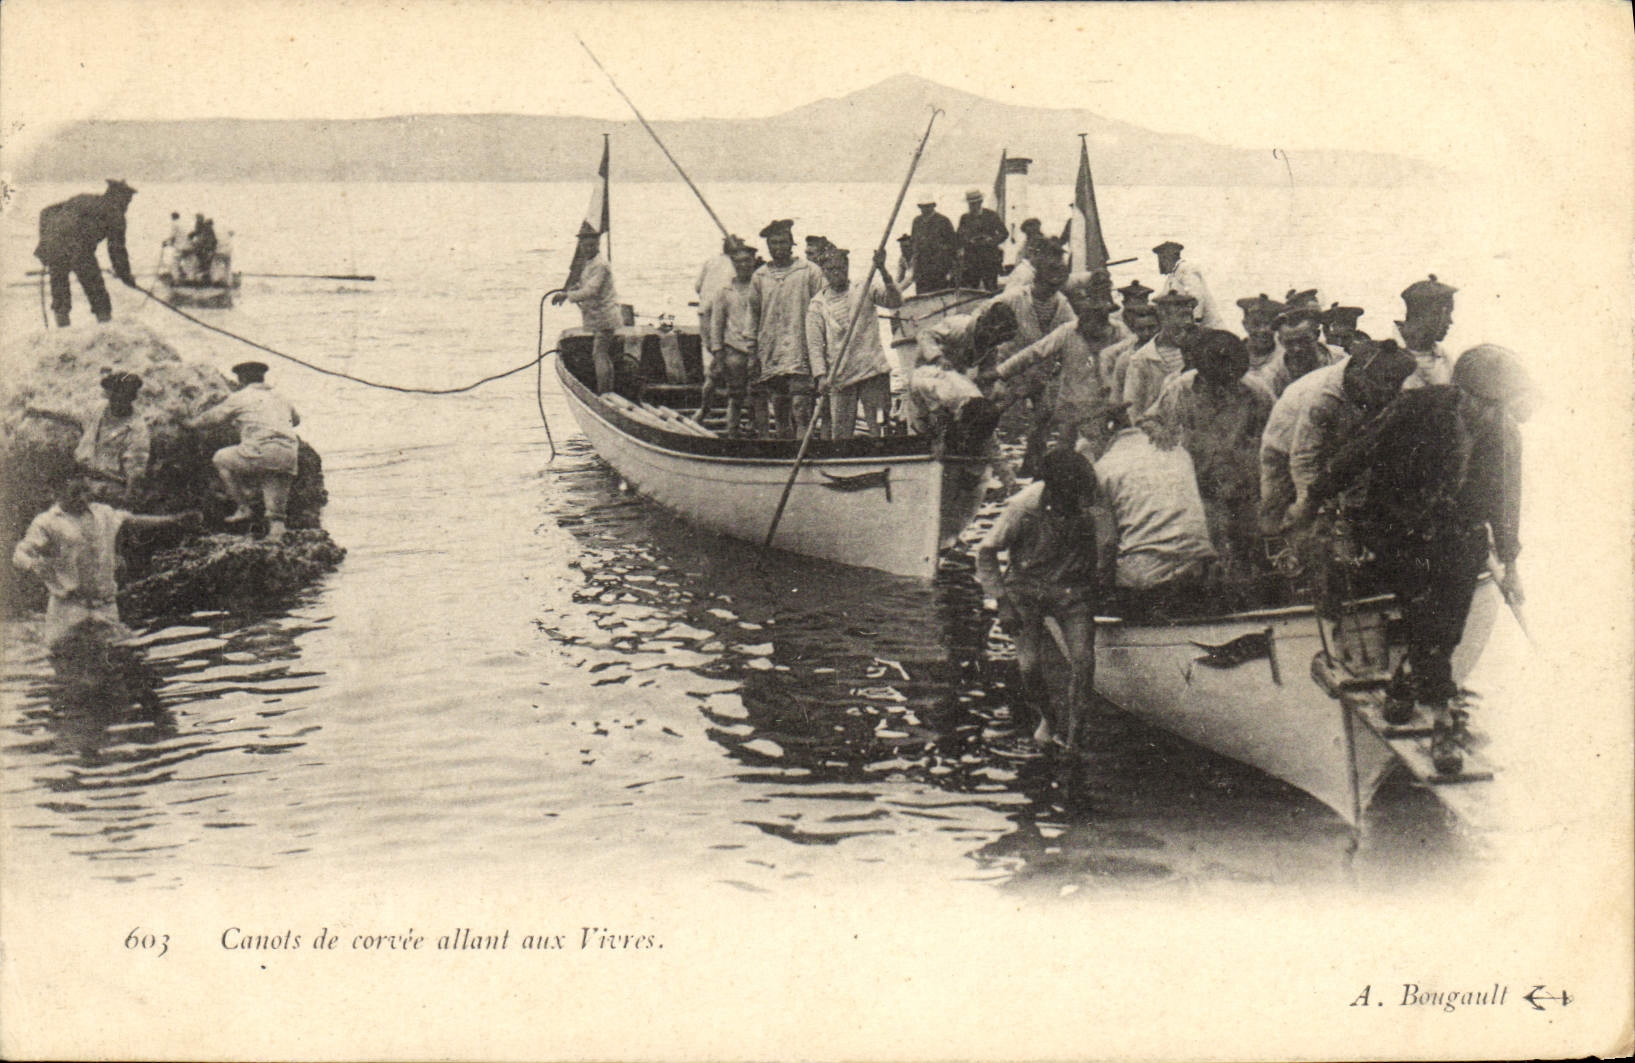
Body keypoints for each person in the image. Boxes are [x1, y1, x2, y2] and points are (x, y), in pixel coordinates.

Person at [1306, 345, 1530, 774]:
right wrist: (1315, 498)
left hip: (1460, 534)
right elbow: (1358, 453)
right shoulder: (1416, 408)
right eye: (1482, 402)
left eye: (1497, 404)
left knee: (1448, 627)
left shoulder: (1504, 433)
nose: (1489, 411)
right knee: (1426, 617)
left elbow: (1507, 500)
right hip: (1400, 529)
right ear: (1461, 392)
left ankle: (1405, 679)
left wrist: (1511, 561)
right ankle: (1444, 721)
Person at [976, 448, 1101, 750]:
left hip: (1070, 588)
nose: (1074, 503)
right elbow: (986, 553)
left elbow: (1100, 547)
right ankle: (1049, 718)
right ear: (1051, 490)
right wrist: (1002, 602)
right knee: (1029, 667)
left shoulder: (1087, 503)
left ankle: (1074, 736)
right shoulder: (1022, 508)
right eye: (1067, 496)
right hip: (1025, 587)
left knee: (1084, 663)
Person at [1140, 330, 1273, 574]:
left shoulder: (1256, 391)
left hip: (1244, 482)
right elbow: (1150, 421)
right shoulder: (1180, 389)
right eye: (1216, 382)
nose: (1222, 389)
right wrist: (1163, 435)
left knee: (1249, 544)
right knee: (1208, 547)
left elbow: (1275, 431)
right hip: (1200, 481)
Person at [12, 475, 198, 649]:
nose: (83, 498)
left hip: (105, 605)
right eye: (75, 494)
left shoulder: (103, 513)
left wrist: (174, 520)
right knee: (61, 654)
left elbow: (133, 520)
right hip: (68, 607)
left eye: (85, 492)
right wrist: (32, 564)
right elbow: (20, 553)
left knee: (120, 652)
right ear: (57, 493)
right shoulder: (46, 522)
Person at [1280, 339, 1419, 535]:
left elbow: (1362, 455)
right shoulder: (1323, 397)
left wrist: (1351, 511)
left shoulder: (1385, 399)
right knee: (1302, 525)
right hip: (1292, 461)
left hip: (1342, 471)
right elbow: (1304, 457)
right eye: (1387, 381)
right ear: (1364, 376)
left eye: (1397, 382)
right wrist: (1311, 506)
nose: (1392, 389)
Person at [1082, 404, 1217, 598]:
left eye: (1090, 440)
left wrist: (1097, 587)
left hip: (1145, 578)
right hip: (1199, 568)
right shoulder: (1178, 451)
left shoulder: (1103, 469)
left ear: (1104, 432)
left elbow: (1106, 544)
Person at [992, 271, 1120, 473]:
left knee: (1100, 454)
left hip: (1102, 406)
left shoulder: (1120, 335)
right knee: (1063, 451)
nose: (1087, 329)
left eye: (1095, 323)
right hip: (1071, 405)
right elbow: (1034, 352)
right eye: (1084, 321)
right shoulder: (1069, 330)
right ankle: (1042, 479)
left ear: (1104, 321)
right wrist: (1000, 372)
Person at [185, 361, 302, 543]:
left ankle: (243, 507)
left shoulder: (241, 396)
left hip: (260, 452)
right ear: (262, 377)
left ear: (242, 379)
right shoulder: (281, 396)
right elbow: (295, 420)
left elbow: (214, 418)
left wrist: (191, 424)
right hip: (288, 453)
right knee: (276, 514)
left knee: (221, 459)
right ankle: (275, 536)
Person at [806, 248, 903, 439]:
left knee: (877, 429)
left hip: (872, 370)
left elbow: (895, 301)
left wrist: (883, 270)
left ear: (847, 267)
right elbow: (815, 345)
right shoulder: (817, 305)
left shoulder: (864, 287)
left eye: (840, 268)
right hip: (840, 375)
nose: (836, 272)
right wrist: (820, 376)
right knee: (841, 433)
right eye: (831, 269)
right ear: (824, 271)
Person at [750, 219, 826, 438]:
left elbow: (822, 309)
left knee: (802, 408)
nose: (778, 247)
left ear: (791, 243)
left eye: (783, 242)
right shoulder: (760, 276)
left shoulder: (809, 271)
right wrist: (752, 352)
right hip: (772, 352)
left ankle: (805, 452)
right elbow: (753, 316)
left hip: (801, 350)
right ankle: (784, 454)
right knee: (780, 409)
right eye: (773, 243)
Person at [33, 179, 139, 327]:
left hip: (53, 247)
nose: (128, 204)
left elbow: (45, 212)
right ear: (119, 197)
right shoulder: (115, 214)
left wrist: (44, 240)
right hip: (79, 251)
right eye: (127, 200)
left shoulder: (83, 198)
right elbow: (116, 250)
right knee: (97, 291)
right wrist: (125, 276)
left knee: (59, 290)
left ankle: (62, 330)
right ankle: (106, 328)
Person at [907, 302, 1018, 434]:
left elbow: (986, 379)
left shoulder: (990, 347)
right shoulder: (959, 326)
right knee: (924, 420)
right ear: (989, 328)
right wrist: (938, 357)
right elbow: (924, 335)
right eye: (998, 338)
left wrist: (983, 405)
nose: (998, 343)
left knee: (955, 418)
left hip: (953, 381)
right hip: (927, 373)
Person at [552, 224, 622, 394]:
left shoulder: (601, 265)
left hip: (604, 316)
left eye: (591, 245)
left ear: (597, 245)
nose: (587, 248)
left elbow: (592, 290)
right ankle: (607, 390)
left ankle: (605, 392)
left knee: (599, 353)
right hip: (598, 316)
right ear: (581, 246)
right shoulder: (590, 263)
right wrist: (570, 289)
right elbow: (584, 284)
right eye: (584, 245)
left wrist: (567, 296)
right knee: (601, 353)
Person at [703, 240, 761, 438]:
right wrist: (718, 353)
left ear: (754, 261)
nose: (743, 265)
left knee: (758, 394)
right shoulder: (724, 291)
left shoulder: (761, 288)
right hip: (734, 350)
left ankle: (755, 430)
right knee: (735, 395)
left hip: (758, 351)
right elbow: (716, 324)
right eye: (738, 262)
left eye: (747, 261)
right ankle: (732, 432)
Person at [696, 234, 749, 419]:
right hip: (718, 317)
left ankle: (704, 409)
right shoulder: (733, 270)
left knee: (713, 370)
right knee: (719, 368)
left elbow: (697, 287)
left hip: (704, 314)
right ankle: (717, 411)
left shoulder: (711, 262)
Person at [1120, 290, 1194, 416]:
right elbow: (1133, 408)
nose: (1187, 322)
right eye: (1181, 315)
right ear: (1163, 317)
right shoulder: (1141, 359)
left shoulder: (1200, 350)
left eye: (1189, 316)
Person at [1244, 303, 1335, 399]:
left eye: (1303, 341)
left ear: (1317, 335)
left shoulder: (1339, 359)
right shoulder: (1272, 376)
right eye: (1289, 343)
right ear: (1280, 341)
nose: (1297, 349)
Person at [1395, 275, 1457, 390]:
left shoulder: (1446, 359)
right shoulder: (1384, 354)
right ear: (1426, 315)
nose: (1450, 321)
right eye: (1446, 313)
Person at [1153, 240, 1225, 329]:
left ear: (1169, 257)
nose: (1160, 264)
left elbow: (1197, 295)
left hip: (1207, 327)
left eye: (1162, 259)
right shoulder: (1172, 276)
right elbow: (1162, 298)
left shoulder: (1186, 269)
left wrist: (1195, 321)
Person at [956, 189, 1010, 291]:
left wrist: (991, 240)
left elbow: (1004, 233)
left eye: (975, 203)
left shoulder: (991, 215)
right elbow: (959, 236)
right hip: (971, 260)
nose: (973, 206)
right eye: (971, 204)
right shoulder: (965, 218)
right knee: (971, 290)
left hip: (989, 259)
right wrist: (969, 240)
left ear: (980, 202)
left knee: (991, 288)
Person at [909, 194, 958, 293]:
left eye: (928, 206)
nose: (925, 209)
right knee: (922, 295)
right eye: (923, 206)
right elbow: (914, 242)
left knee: (939, 293)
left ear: (933, 206)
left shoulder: (943, 221)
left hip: (939, 267)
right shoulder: (917, 221)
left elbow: (953, 244)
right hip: (922, 267)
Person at [1235, 293, 1284, 376]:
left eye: (1268, 323)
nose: (1262, 330)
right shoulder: (1234, 353)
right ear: (1245, 324)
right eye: (1256, 324)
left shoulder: (1283, 357)